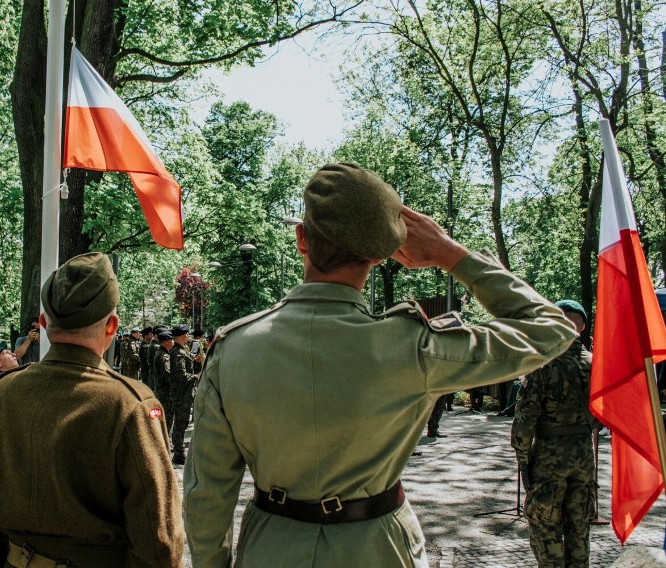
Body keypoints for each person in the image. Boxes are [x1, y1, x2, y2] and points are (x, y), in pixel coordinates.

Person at [183, 162, 578, 567]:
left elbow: (207, 492)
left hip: (271, 548)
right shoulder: (414, 348)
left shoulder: (234, 348)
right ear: (379, 255)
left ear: (301, 239)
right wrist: (451, 254)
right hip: (378, 549)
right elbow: (551, 330)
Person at [0, 252, 183, 567]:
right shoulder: (130, 405)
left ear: (44, 323)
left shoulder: (2, 393)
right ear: (112, 326)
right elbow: (157, 538)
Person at [511, 300, 598, 567]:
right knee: (579, 527)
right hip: (584, 455)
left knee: (545, 527)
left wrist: (523, 458)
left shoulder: (543, 364)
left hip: (549, 457)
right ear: (582, 327)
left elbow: (525, 419)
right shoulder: (597, 364)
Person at [169, 324, 198, 465]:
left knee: (182, 423)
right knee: (180, 424)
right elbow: (181, 375)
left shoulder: (181, 350)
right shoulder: (178, 352)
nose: (188, 336)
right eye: (186, 334)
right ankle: (179, 454)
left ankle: (179, 452)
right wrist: (196, 376)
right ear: (180, 335)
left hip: (184, 393)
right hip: (181, 394)